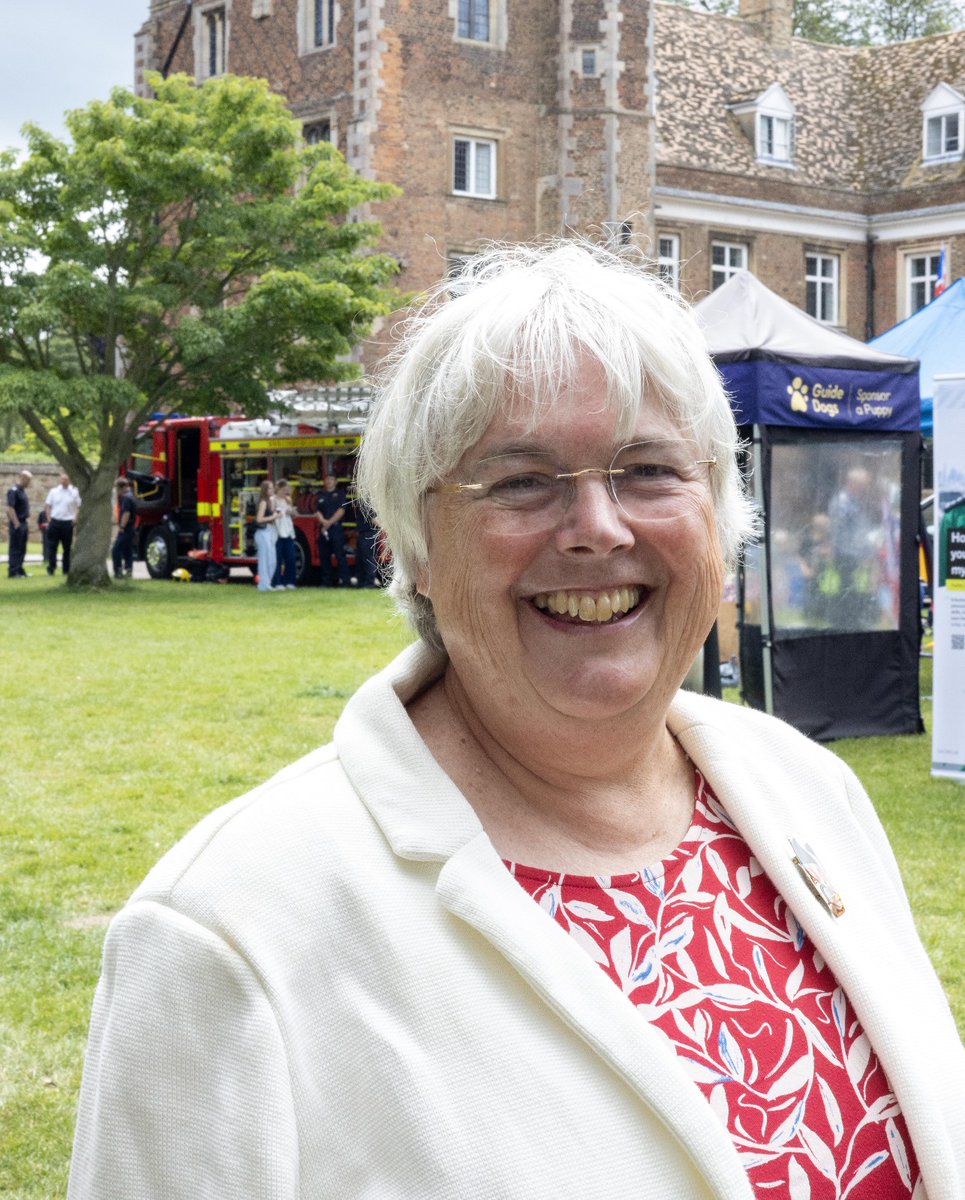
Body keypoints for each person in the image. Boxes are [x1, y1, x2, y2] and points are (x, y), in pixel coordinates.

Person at [68, 242, 965, 1199]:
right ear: (415, 542)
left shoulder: (803, 787)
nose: (597, 526)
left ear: (718, 508)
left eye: (649, 469)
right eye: (519, 481)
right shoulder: (229, 930)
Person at [315, 471, 352, 586]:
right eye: (327, 479)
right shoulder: (321, 494)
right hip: (324, 530)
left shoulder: (340, 494)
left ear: (335, 482)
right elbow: (317, 512)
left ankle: (346, 582)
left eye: (331, 479)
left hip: (336, 529)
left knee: (340, 555)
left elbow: (341, 510)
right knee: (324, 556)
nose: (329, 481)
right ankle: (327, 582)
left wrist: (329, 523)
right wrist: (324, 522)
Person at [45, 470, 82, 576]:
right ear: (59, 479)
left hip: (67, 522)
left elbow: (79, 506)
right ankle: (51, 568)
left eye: (66, 479)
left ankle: (66, 569)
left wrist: (75, 518)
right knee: (52, 547)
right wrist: (49, 519)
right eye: (62, 479)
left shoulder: (74, 492)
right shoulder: (54, 491)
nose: (64, 481)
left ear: (69, 480)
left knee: (67, 548)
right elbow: (48, 505)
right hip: (55, 521)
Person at [270, 479, 298, 589]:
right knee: (277, 558)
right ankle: (277, 582)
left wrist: (292, 512)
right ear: (279, 488)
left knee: (290, 557)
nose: (286, 491)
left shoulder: (288, 500)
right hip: (277, 531)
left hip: (288, 531)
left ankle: (290, 581)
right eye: (284, 488)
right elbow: (270, 513)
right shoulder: (273, 500)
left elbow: (293, 514)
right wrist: (281, 512)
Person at [6, 469, 32, 579]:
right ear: (23, 478)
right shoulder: (14, 490)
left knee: (22, 548)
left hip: (23, 522)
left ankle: (20, 569)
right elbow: (10, 508)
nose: (29, 483)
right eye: (29, 480)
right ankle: (13, 571)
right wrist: (16, 523)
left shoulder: (22, 491)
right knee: (15, 547)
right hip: (18, 523)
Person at [253, 479, 278, 592]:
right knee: (264, 560)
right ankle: (264, 585)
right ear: (265, 490)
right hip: (263, 533)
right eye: (270, 488)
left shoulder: (269, 501)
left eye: (273, 487)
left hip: (270, 531)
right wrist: (274, 517)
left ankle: (268, 583)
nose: (272, 490)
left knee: (272, 559)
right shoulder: (263, 502)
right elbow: (259, 519)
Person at [111, 479, 137, 579]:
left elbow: (126, 513)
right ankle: (129, 570)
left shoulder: (126, 498)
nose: (117, 492)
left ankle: (118, 571)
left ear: (121, 488)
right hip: (132, 527)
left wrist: (121, 527)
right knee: (127, 550)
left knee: (116, 550)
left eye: (117, 489)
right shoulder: (132, 496)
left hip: (126, 528)